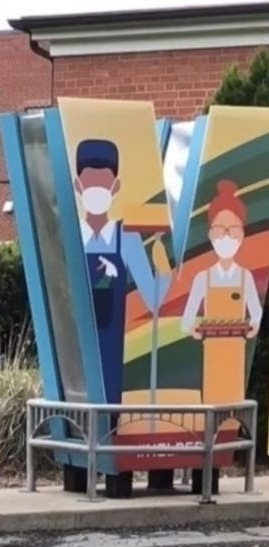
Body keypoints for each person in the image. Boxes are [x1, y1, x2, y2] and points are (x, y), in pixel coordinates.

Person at [74, 139, 172, 404]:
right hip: (74, 351)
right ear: (77, 186)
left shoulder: (126, 238)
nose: (96, 190)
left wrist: (163, 271)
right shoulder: (69, 237)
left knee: (110, 413)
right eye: (90, 183)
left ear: (115, 187)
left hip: (111, 350)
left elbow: (152, 297)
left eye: (103, 184)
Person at [180, 180, 262, 403]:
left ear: (242, 235)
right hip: (212, 352)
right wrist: (196, 329)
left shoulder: (245, 277)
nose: (226, 236)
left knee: (233, 404)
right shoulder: (202, 278)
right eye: (220, 230)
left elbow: (256, 313)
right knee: (213, 404)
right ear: (210, 235)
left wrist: (252, 326)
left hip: (236, 352)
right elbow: (186, 321)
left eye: (232, 230)